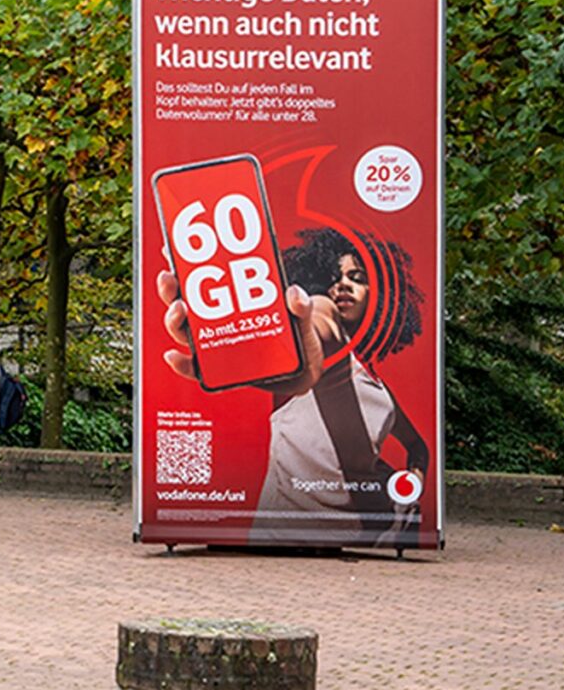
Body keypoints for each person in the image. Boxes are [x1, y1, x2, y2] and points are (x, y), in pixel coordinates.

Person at [158, 227, 427, 546]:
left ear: (380, 296)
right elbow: (317, 325)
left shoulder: (377, 388)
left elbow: (417, 447)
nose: (343, 285)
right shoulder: (323, 315)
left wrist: (408, 493)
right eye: (333, 278)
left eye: (356, 278)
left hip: (375, 539)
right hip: (286, 533)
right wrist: (291, 352)